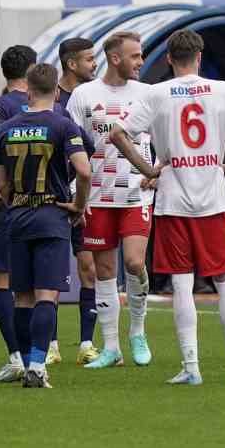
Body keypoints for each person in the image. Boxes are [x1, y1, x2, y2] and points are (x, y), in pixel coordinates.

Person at [108, 29, 225, 385]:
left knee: (182, 285)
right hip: (213, 198)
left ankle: (191, 367)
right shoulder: (223, 90)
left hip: (172, 200)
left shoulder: (157, 93)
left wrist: (149, 169)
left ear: (169, 59)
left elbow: (118, 134)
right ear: (199, 57)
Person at [0, 63, 92, 389]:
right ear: (57, 92)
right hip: (52, 216)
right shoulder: (63, 126)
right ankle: (37, 366)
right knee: (46, 295)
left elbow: (1, 186)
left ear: (28, 92)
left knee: (22, 298)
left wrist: (15, 201)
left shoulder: (5, 129)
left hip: (18, 217)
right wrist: (78, 205)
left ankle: (23, 362)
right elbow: (85, 171)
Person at [69, 32, 155, 369]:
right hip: (98, 195)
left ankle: (137, 331)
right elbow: (71, 143)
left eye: (141, 55)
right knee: (104, 271)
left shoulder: (148, 94)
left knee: (134, 263)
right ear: (115, 58)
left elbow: (162, 136)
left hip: (136, 192)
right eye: (135, 56)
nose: (141, 62)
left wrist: (155, 169)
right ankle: (111, 347)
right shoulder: (83, 95)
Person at [0, 45, 38, 383]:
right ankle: (37, 358)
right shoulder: (48, 104)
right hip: (47, 203)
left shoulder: (0, 107)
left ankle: (17, 357)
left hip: (12, 203)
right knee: (36, 286)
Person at [56, 36, 101, 363]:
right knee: (53, 272)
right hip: (57, 198)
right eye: (89, 59)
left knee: (88, 267)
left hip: (87, 196)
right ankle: (51, 344)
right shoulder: (51, 98)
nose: (94, 64)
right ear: (72, 64)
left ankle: (87, 344)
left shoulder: (97, 96)